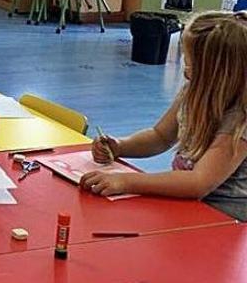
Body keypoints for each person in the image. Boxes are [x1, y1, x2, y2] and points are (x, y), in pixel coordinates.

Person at [82, 12, 247, 221]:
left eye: (191, 65)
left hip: (222, 219)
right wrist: (121, 146)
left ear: (217, 74)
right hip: (187, 205)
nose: (186, 72)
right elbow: (159, 136)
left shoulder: (240, 119)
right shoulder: (193, 91)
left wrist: (126, 181)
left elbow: (198, 182)